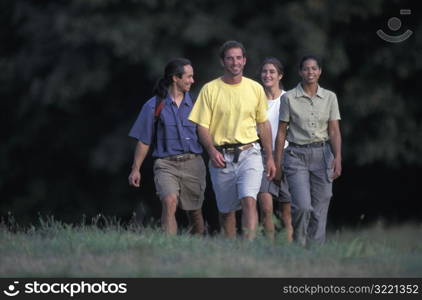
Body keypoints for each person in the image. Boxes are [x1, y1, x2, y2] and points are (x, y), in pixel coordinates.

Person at [188, 40, 275, 240]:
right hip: (221, 156)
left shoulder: (255, 88)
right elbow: (202, 126)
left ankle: (249, 247)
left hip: (250, 152)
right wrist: (211, 150)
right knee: (226, 211)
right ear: (223, 62)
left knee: (249, 200)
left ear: (244, 61)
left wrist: (269, 156)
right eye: (230, 58)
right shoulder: (210, 89)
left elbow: (263, 124)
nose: (235, 62)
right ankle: (232, 251)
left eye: (238, 58)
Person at [128, 58, 206, 235]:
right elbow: (144, 140)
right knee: (169, 202)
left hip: (193, 163)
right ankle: (169, 246)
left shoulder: (197, 103)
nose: (192, 81)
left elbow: (207, 134)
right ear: (175, 78)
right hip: (166, 165)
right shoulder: (154, 105)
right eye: (188, 77)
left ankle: (200, 247)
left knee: (194, 211)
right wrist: (136, 169)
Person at [274, 55, 342, 247]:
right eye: (306, 69)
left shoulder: (330, 97)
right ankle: (299, 244)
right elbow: (281, 133)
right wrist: (277, 163)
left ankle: (315, 250)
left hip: (322, 155)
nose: (310, 72)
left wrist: (338, 158)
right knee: (302, 206)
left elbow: (334, 130)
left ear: (320, 71)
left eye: (314, 68)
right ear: (300, 72)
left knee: (320, 207)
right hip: (296, 156)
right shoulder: (288, 98)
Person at [257, 57, 293, 242]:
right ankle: (269, 247)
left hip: (287, 155)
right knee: (266, 208)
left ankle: (287, 248)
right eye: (264, 71)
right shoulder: (256, 99)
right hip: (262, 155)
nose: (267, 75)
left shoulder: (289, 98)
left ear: (280, 75)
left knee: (286, 211)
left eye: (272, 72)